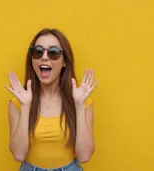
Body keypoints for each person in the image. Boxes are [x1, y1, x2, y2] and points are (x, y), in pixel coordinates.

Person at [5, 28, 98, 171]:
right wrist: (25, 107)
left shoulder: (83, 101)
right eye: (38, 52)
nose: (44, 57)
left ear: (64, 62)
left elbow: (84, 156)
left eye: (53, 52)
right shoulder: (18, 102)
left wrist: (79, 106)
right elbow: (18, 154)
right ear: (32, 60)